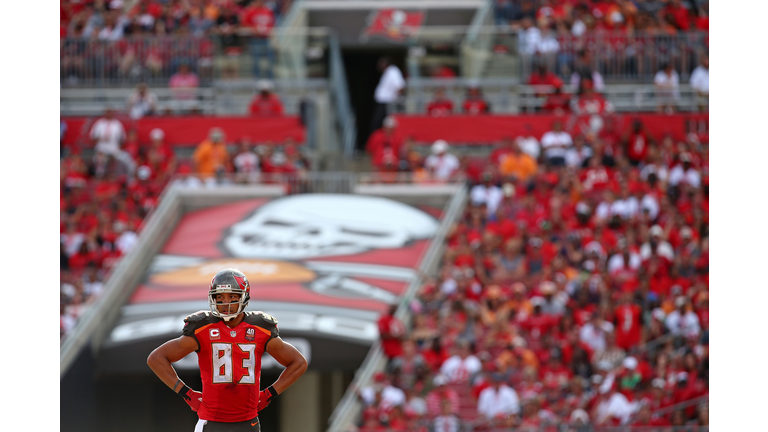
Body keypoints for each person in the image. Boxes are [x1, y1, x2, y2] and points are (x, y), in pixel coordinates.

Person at [147, 268, 307, 431]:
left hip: (248, 423)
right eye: (220, 297)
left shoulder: (261, 328)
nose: (226, 303)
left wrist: (269, 393)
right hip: (211, 422)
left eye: (232, 296)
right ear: (213, 298)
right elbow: (156, 358)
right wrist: (186, 393)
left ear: (244, 297)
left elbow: (298, 363)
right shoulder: (202, 328)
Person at [371, 57, 405, 135]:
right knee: (377, 124)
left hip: (387, 104)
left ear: (386, 63)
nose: (379, 65)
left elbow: (400, 86)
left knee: (379, 124)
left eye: (381, 63)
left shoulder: (393, 71)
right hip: (383, 103)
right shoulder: (388, 72)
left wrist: (396, 99)